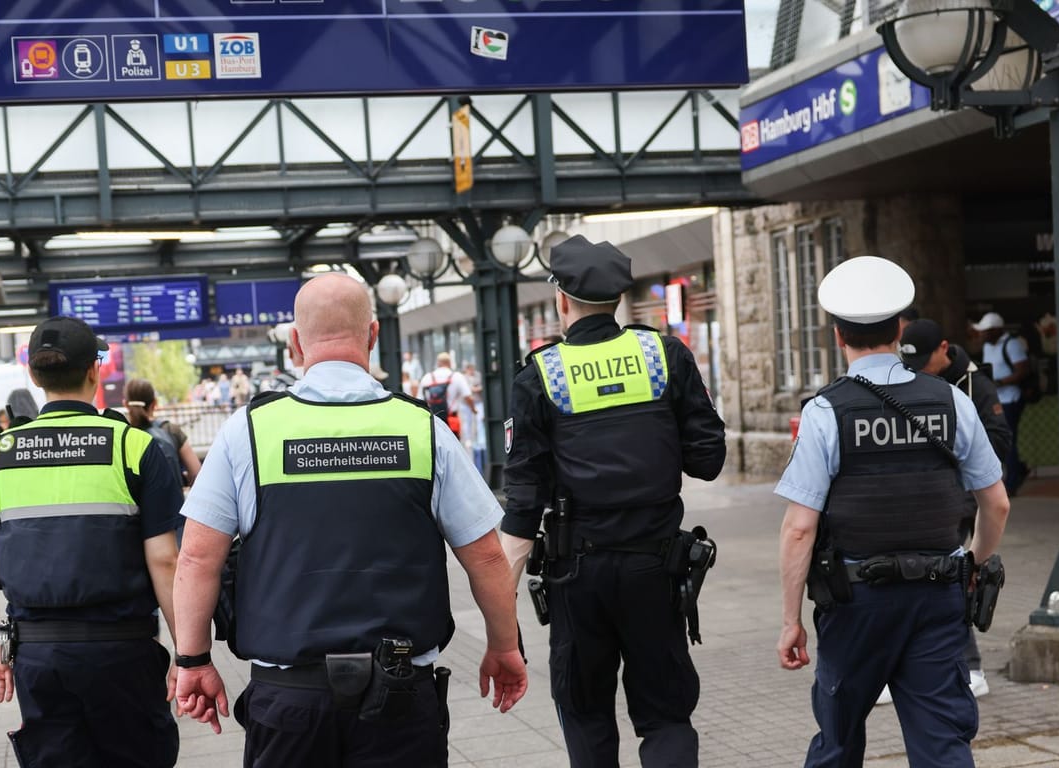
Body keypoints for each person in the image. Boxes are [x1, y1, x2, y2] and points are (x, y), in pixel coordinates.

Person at [171, 273, 527, 766]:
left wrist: (192, 660)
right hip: (402, 698)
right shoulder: (424, 429)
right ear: (374, 336)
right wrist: (504, 646)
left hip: (288, 701)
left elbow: (195, 557)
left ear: (295, 343)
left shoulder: (247, 432)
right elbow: (486, 554)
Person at [500, 235, 727, 767]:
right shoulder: (665, 354)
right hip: (656, 567)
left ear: (561, 300)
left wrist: (500, 618)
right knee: (666, 716)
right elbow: (709, 460)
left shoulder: (540, 375)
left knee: (585, 713)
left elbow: (522, 506)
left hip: (576, 578)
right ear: (620, 299)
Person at [775, 256, 1010, 768]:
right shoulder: (952, 402)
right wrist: (973, 564)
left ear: (838, 335)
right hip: (937, 596)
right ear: (899, 329)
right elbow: (997, 502)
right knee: (943, 745)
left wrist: (791, 620)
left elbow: (799, 529)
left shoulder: (824, 413)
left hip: (856, 602)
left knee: (837, 744)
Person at [0, 316, 184, 768]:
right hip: (124, 651)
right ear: (94, 372)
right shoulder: (133, 447)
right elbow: (166, 561)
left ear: (35, 377)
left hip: (38, 656)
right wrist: (189, 653)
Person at [888, 318, 1015, 702]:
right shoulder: (908, 377)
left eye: (925, 361)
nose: (918, 371)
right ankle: (901, 668)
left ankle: (971, 667)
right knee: (908, 579)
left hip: (959, 497)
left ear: (944, 349)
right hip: (919, 496)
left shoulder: (976, 386)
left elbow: (999, 442)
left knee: (952, 576)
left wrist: (951, 455)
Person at [974, 311, 1031, 496]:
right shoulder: (987, 347)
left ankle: (1013, 480)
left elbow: (1023, 370)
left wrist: (1000, 382)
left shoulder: (1011, 344)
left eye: (986, 331)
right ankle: (1018, 470)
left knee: (1008, 439)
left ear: (997, 330)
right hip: (996, 399)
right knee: (998, 437)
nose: (982, 334)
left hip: (1011, 398)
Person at [125, 378, 202, 488]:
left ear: (126, 404)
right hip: (174, 504)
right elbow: (196, 473)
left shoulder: (122, 435)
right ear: (154, 403)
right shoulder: (171, 430)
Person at [418, 352, 474, 436]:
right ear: (450, 362)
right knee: (454, 446)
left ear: (438, 363)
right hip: (451, 420)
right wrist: (473, 409)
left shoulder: (427, 377)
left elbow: (419, 400)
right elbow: (468, 397)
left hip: (432, 421)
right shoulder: (457, 376)